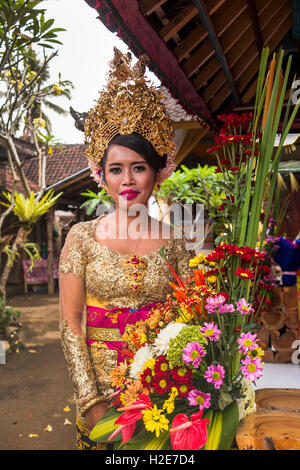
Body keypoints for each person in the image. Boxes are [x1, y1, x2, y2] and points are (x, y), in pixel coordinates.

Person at [58, 49, 195, 450]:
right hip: (99, 397)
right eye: (116, 169)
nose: (128, 180)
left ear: (157, 171)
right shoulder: (81, 237)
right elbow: (71, 322)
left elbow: (189, 320)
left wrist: (181, 389)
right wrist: (91, 402)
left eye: (139, 167)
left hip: (162, 393)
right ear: (102, 175)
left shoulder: (174, 242)